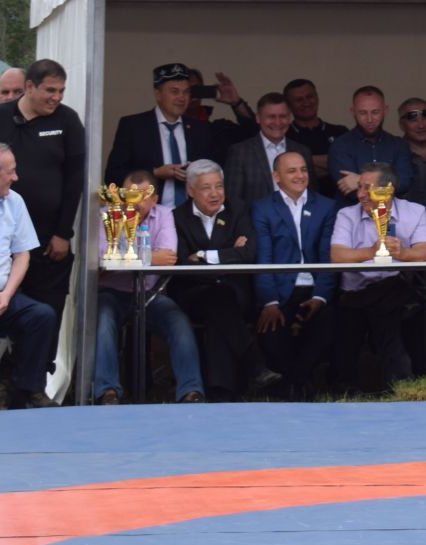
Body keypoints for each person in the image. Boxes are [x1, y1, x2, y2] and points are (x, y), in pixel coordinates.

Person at [0, 59, 86, 359]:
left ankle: (36, 383)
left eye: (61, 90)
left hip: (49, 239)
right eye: (50, 90)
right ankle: (4, 380)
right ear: (29, 87)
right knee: (5, 309)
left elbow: (75, 180)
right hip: (4, 239)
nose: (56, 97)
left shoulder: (68, 120)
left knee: (47, 310)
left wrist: (63, 232)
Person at [91, 169, 206, 404]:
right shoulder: (105, 214)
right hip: (110, 293)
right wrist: (149, 257)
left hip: (149, 294)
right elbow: (102, 258)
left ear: (154, 199)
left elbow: (169, 255)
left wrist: (122, 258)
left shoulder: (163, 215)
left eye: (141, 196)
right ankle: (107, 392)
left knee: (178, 322)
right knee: (103, 322)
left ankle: (190, 391)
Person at [167, 160, 278, 399]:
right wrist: (228, 253)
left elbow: (248, 254)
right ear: (190, 190)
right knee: (219, 299)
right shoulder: (177, 217)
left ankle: (220, 393)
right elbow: (182, 264)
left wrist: (202, 255)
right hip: (191, 293)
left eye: (219, 186)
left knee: (220, 306)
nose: (215, 193)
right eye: (207, 187)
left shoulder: (238, 210)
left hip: (234, 292)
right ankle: (254, 364)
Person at [329, 162, 426, 391]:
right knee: (384, 303)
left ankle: (384, 384)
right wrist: (371, 251)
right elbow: (336, 256)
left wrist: (403, 252)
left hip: (394, 291)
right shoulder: (347, 214)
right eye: (359, 187)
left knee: (391, 294)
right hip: (355, 294)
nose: (360, 195)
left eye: (368, 188)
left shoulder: (415, 211)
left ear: (388, 191)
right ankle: (401, 383)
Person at [249, 150, 337, 400]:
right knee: (272, 334)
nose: (300, 176)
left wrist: (320, 297)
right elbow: (263, 257)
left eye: (303, 170)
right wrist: (270, 302)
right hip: (279, 289)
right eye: (291, 171)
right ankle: (299, 385)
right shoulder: (262, 208)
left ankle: (293, 385)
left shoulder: (326, 206)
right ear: (276, 176)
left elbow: (326, 257)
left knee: (327, 328)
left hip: (314, 288)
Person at [0, 143, 58, 409]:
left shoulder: (14, 201)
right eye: (10, 172)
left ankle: (30, 389)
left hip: (2, 295)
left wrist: (7, 294)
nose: (16, 177)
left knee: (40, 315)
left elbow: (22, 255)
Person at [104, 63, 225, 207]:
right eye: (174, 91)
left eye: (186, 92)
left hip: (191, 217)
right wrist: (155, 173)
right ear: (158, 94)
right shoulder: (133, 126)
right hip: (149, 213)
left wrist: (196, 170)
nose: (181, 98)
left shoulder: (199, 129)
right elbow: (113, 176)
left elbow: (214, 172)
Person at [329, 86, 419, 204]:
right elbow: (349, 191)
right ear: (353, 112)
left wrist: (359, 180)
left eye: (375, 112)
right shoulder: (340, 146)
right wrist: (387, 186)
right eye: (363, 113)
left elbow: (404, 183)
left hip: (392, 217)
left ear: (385, 110)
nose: (370, 119)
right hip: (353, 219)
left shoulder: (399, 145)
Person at [224, 92, 310, 208]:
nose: (277, 122)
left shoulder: (302, 151)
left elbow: (311, 195)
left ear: (289, 118)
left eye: (283, 116)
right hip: (254, 223)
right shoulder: (240, 152)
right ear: (258, 118)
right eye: (271, 117)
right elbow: (233, 198)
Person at [282, 78, 347, 190]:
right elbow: (284, 173)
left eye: (310, 97)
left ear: (317, 97)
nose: (306, 103)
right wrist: (332, 164)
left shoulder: (340, 132)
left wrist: (304, 163)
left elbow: (348, 166)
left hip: (340, 203)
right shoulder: (283, 136)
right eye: (299, 100)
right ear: (289, 105)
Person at [397, 97, 426, 170]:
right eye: (414, 120)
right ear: (401, 125)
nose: (421, 125)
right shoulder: (395, 154)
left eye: (425, 119)